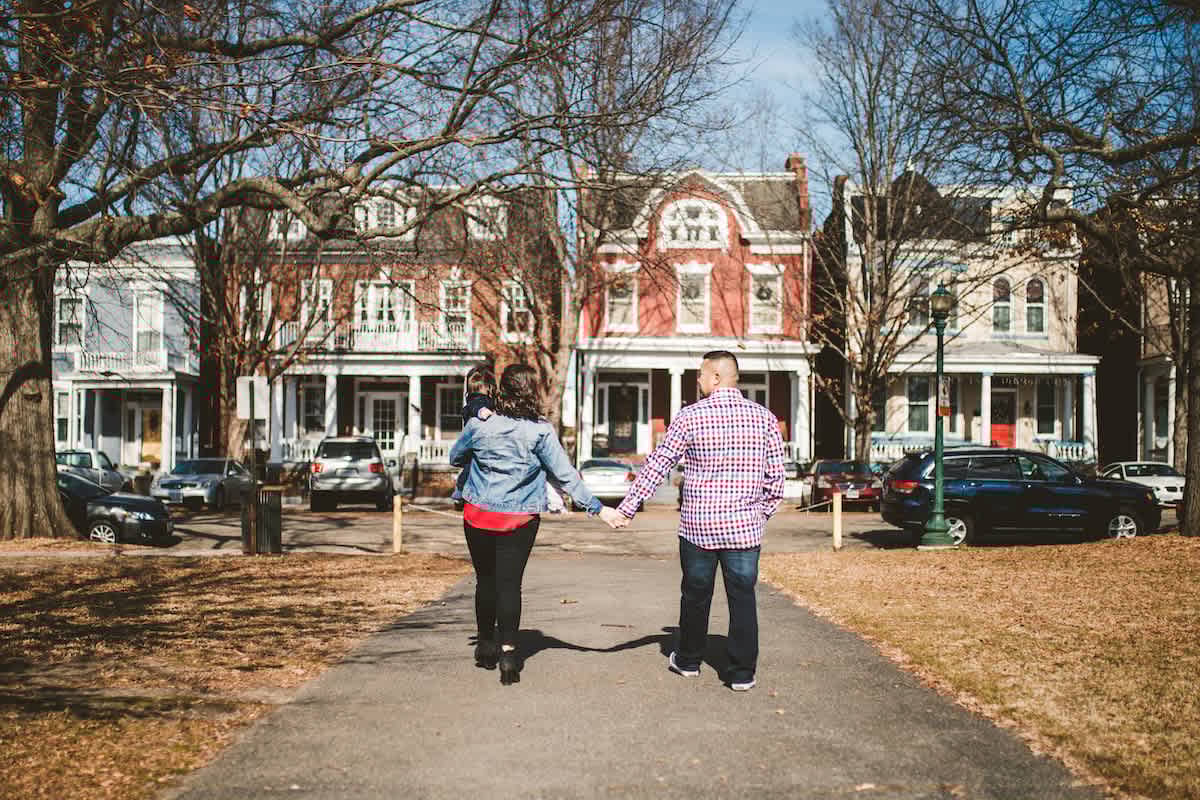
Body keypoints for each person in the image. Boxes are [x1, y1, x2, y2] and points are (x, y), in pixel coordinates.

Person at [614, 350, 785, 691]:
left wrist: (627, 508)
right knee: (742, 598)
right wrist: (758, 515)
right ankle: (741, 673)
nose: (698, 381)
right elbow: (777, 480)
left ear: (717, 377)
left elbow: (659, 463)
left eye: (701, 375)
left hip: (699, 526)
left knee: (695, 594)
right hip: (744, 528)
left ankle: (689, 660)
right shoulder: (764, 418)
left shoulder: (690, 417)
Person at [449, 363, 626, 685]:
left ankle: (485, 645)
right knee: (509, 585)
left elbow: (454, 457)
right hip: (519, 518)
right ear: (531, 390)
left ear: (502, 389)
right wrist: (600, 510)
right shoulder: (540, 430)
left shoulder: (478, 423)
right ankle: (508, 653)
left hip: (478, 514)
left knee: (485, 581)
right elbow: (566, 474)